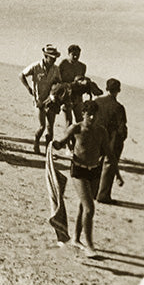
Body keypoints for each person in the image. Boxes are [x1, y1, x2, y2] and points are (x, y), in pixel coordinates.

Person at [53, 100, 109, 256]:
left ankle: (76, 239)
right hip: (78, 171)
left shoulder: (101, 131)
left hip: (95, 171)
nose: (92, 117)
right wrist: (55, 144)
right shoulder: (75, 128)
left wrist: (116, 175)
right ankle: (90, 246)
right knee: (90, 209)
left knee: (83, 206)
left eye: (94, 115)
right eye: (89, 114)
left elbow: (109, 152)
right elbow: (62, 143)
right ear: (83, 113)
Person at [92, 78, 127, 204]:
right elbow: (122, 128)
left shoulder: (97, 101)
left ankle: (93, 192)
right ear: (118, 91)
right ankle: (103, 195)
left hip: (96, 138)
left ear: (106, 88)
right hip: (111, 141)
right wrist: (121, 139)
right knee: (108, 167)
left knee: (95, 164)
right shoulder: (119, 108)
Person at [21, 44, 63, 153]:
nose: (54, 60)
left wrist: (55, 91)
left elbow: (59, 82)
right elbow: (21, 75)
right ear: (45, 56)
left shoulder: (56, 69)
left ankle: (48, 150)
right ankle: (36, 143)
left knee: (50, 127)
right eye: (51, 57)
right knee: (42, 126)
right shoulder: (36, 66)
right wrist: (28, 88)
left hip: (51, 101)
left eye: (55, 58)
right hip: (38, 100)